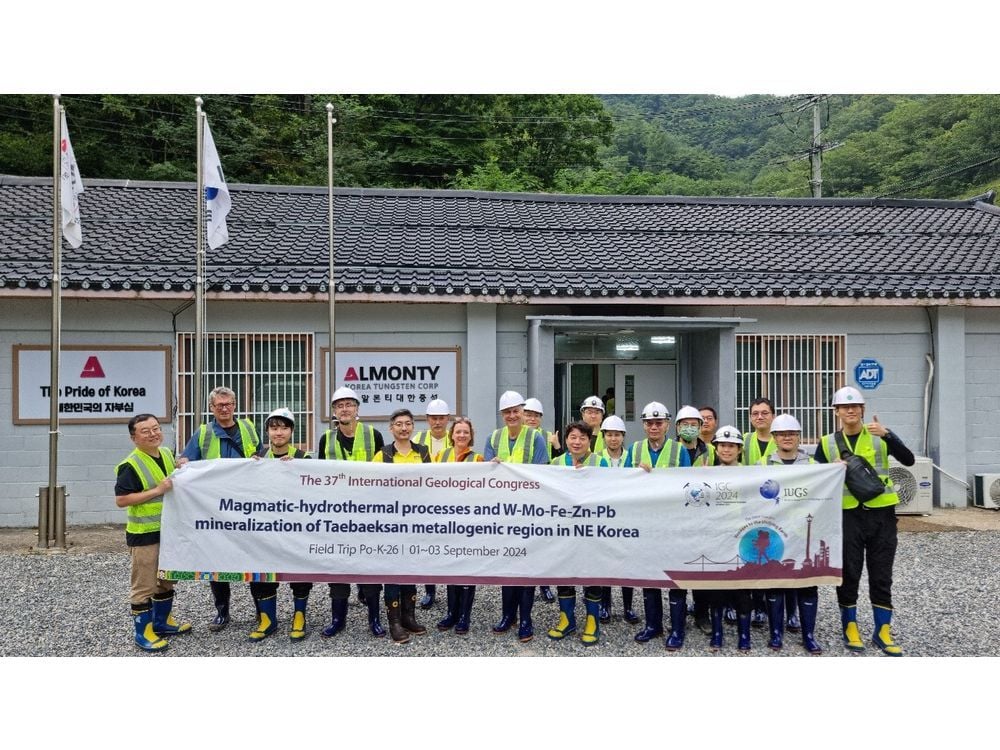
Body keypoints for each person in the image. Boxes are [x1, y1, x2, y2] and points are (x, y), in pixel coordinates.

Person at [813, 386, 914, 656]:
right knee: (849, 572)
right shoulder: (827, 443)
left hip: (881, 514)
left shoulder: (880, 436)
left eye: (855, 406)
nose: (850, 410)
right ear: (836, 412)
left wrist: (890, 436)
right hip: (847, 516)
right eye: (844, 407)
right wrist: (829, 469)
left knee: (882, 574)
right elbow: (815, 479)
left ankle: (883, 631)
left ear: (862, 410)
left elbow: (909, 460)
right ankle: (850, 626)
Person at [179, 386, 259, 632]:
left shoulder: (248, 427)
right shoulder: (203, 433)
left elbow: (259, 455)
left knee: (254, 557)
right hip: (214, 508)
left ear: (235, 405)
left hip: (245, 505)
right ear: (211, 408)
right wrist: (182, 462)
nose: (224, 409)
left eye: (228, 404)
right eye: (218, 405)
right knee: (217, 560)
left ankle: (261, 610)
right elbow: (187, 460)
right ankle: (222, 611)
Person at [115, 413, 192, 652]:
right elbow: (122, 499)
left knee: (166, 578)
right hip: (144, 533)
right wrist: (157, 490)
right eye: (145, 431)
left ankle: (162, 622)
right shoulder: (131, 464)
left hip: (168, 530)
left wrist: (181, 466)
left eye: (156, 428)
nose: (153, 434)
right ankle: (143, 633)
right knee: (144, 585)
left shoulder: (167, 454)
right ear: (133, 437)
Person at [317, 386, 387, 639]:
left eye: (349, 404)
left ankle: (374, 618)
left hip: (368, 513)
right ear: (334, 411)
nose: (344, 409)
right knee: (338, 565)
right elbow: (319, 475)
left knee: (369, 564)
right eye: (339, 405)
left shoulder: (374, 435)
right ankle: (338, 618)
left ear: (357, 409)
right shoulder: (326, 439)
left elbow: (384, 473)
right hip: (338, 514)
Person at [484, 390, 549, 642]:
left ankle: (525, 619)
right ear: (502, 415)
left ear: (523, 411)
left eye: (516, 411)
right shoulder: (494, 438)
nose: (512, 415)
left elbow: (541, 475)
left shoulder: (536, 439)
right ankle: (507, 615)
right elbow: (488, 477)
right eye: (507, 412)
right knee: (507, 566)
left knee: (526, 568)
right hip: (503, 515)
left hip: (527, 513)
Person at [624, 401, 691, 644]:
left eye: (658, 422)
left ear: (667, 425)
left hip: (672, 524)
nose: (654, 426)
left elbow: (687, 488)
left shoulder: (679, 451)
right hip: (645, 523)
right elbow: (623, 484)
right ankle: (654, 625)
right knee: (650, 577)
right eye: (649, 423)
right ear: (643, 425)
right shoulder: (634, 450)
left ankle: (677, 630)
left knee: (675, 579)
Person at [247, 407, 313, 642]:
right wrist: (249, 470)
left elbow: (313, 492)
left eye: (284, 427)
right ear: (267, 431)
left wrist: (297, 469)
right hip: (266, 530)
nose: (279, 433)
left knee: (300, 572)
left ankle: (299, 614)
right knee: (262, 572)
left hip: (294, 528)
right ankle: (267, 619)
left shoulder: (303, 458)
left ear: (292, 431)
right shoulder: (258, 459)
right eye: (274, 428)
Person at [758, 413, 822, 654]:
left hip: (804, 533)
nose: (787, 438)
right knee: (775, 584)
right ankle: (776, 634)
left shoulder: (815, 468)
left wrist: (837, 470)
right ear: (773, 437)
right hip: (775, 534)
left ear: (799, 437)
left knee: (808, 584)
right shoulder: (762, 466)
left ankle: (808, 635)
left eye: (792, 434)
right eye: (782, 434)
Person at [547, 421, 609, 646]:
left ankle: (592, 621)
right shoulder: (555, 463)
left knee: (592, 573)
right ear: (565, 440)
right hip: (564, 529)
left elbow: (611, 492)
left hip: (591, 529)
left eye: (582, 438)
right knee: (565, 573)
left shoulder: (600, 463)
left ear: (589, 441)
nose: (577, 442)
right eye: (573, 437)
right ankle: (567, 619)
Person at [373, 408, 432, 644]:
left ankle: (409, 616)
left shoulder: (424, 453)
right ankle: (394, 622)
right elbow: (372, 488)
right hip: (391, 524)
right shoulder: (383, 455)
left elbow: (435, 483)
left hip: (415, 523)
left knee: (411, 567)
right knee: (392, 572)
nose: (404, 428)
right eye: (399, 424)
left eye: (408, 423)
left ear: (413, 428)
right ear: (391, 428)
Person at [701, 425, 753, 651]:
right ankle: (718, 634)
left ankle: (744, 635)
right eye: (723, 445)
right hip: (717, 538)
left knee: (743, 589)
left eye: (732, 446)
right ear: (716, 448)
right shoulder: (707, 474)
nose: (727, 449)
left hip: (742, 538)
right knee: (716, 589)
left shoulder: (750, 475)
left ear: (740, 449)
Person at [665, 405, 713, 648]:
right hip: (677, 519)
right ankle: (678, 617)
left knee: (702, 568)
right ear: (677, 428)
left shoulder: (712, 451)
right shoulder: (671, 450)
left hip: (704, 518)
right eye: (685, 424)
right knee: (679, 567)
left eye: (695, 423)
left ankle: (702, 614)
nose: (690, 427)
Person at [433, 417, 483, 635]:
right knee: (450, 567)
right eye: (458, 432)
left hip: (468, 522)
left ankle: (464, 615)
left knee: (467, 569)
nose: (462, 435)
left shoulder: (478, 459)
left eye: (466, 432)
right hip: (446, 521)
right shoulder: (439, 457)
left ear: (471, 436)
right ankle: (451, 613)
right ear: (451, 434)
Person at [597, 415, 639, 624]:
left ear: (623, 437)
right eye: (610, 435)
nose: (613, 439)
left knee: (626, 562)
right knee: (605, 563)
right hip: (605, 518)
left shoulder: (632, 458)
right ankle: (605, 605)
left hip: (626, 518)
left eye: (617, 435)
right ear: (604, 437)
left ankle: (628, 607)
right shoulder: (596, 459)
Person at [412, 399, 452, 610]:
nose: (437, 422)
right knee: (427, 546)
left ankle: (451, 587)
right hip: (425, 501)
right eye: (433, 418)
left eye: (441, 418)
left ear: (447, 419)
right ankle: (429, 590)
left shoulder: (454, 439)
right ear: (427, 420)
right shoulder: (418, 439)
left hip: (448, 500)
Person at [741, 397, 778, 626]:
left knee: (773, 555)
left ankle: (771, 605)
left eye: (765, 412)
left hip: (776, 507)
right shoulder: (744, 440)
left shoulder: (782, 438)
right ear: (750, 417)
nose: (760, 417)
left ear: (772, 416)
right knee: (751, 555)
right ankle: (755, 605)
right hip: (748, 507)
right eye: (755, 413)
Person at [523, 397, 558, 603]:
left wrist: (557, 446)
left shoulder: (548, 437)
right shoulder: (513, 436)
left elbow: (558, 465)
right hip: (521, 497)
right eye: (528, 414)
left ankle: (544, 585)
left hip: (543, 496)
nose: (532, 418)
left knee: (542, 543)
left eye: (536, 415)